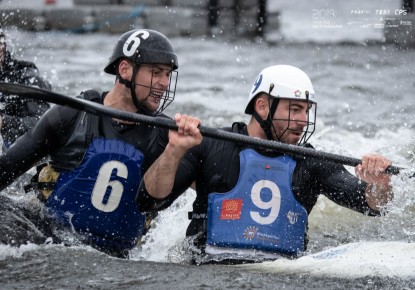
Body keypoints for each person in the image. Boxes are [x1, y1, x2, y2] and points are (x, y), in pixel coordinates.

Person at [137, 65, 393, 265]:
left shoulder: (311, 161)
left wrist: (379, 184)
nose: (303, 120)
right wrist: (174, 150)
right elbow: (149, 200)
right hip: (209, 269)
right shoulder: (211, 145)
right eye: (294, 109)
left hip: (281, 273)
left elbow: (371, 205)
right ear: (262, 106)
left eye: (306, 111)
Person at [0, 28, 201, 258]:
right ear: (125, 70)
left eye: (168, 74)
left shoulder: (169, 137)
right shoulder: (70, 116)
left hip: (119, 256)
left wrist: (176, 151)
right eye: (156, 72)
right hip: (48, 243)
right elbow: (6, 168)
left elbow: (204, 184)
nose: (164, 83)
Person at [0, 26, 51, 148]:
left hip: (20, 151)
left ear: (3, 47)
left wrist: (3, 122)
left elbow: (44, 125)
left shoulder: (27, 77)